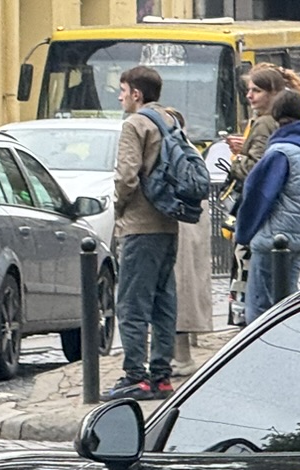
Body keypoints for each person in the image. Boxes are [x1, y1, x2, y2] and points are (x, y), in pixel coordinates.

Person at [108, 65, 180, 401]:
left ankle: (136, 375)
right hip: (168, 222)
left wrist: (119, 206)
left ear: (136, 93)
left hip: (140, 224)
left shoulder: (135, 124)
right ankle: (162, 376)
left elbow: (126, 176)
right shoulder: (169, 120)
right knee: (163, 300)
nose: (120, 97)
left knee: (132, 303)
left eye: (123, 91)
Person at [234, 90, 300, 323]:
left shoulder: (280, 151)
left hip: (274, 237)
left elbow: (259, 195)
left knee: (261, 308)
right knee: (285, 300)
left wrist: (243, 232)